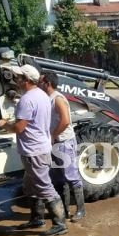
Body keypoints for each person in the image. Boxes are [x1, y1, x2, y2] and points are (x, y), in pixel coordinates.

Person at [0, 64, 68, 236]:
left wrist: (4, 124)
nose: (16, 80)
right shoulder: (42, 95)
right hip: (38, 148)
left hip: (34, 151)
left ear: (26, 80)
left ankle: (60, 224)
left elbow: (20, 128)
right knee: (29, 186)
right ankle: (37, 218)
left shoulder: (26, 100)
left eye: (19, 77)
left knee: (44, 187)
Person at [38, 71, 86, 222]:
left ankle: (81, 210)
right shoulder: (48, 98)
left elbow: (65, 121)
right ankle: (64, 209)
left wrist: (52, 135)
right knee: (59, 178)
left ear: (47, 83)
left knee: (71, 176)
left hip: (64, 142)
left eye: (40, 82)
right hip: (56, 142)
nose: (38, 84)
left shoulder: (57, 99)